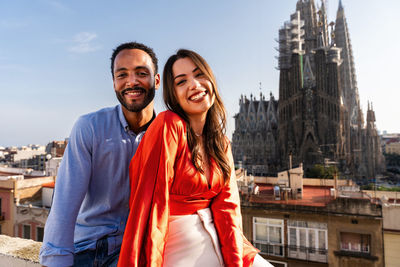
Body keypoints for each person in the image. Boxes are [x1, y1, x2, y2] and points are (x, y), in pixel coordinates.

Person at [118, 49, 271, 267]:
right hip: (179, 246)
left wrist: (235, 262)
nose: (194, 85)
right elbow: (152, 206)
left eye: (199, 75)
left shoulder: (220, 142)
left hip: (221, 240)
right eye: (181, 82)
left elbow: (228, 209)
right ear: (173, 95)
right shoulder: (168, 125)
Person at [39, 42, 160, 267]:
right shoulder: (90, 127)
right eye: (122, 75)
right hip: (88, 250)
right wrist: (55, 260)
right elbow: (65, 203)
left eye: (141, 73)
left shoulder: (167, 134)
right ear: (114, 83)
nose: (131, 81)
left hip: (139, 252)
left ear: (157, 80)